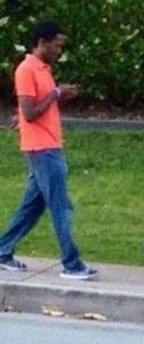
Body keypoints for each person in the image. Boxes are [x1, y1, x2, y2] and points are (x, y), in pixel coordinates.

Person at [0, 21, 97, 279]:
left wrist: (59, 95)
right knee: (61, 206)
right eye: (56, 45)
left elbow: (35, 108)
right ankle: (72, 264)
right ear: (42, 42)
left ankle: (2, 251)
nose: (59, 50)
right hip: (42, 149)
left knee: (32, 206)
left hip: (49, 145)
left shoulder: (44, 69)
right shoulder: (26, 70)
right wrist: (55, 93)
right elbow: (30, 112)